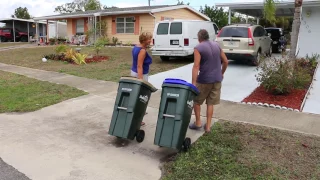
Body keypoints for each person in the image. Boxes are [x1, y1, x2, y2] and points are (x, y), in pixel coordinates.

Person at [189, 29, 228, 133]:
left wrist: (193, 83)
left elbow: (196, 66)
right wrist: (221, 73)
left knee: (197, 101)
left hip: (204, 80)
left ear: (199, 38)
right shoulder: (216, 45)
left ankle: (198, 123)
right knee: (210, 103)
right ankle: (208, 127)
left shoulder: (198, 48)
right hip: (217, 79)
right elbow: (225, 61)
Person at [131, 31, 153, 126]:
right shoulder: (142, 51)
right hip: (140, 74)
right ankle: (138, 120)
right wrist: (140, 81)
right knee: (141, 96)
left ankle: (141, 112)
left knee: (137, 95)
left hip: (134, 72)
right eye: (149, 39)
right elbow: (140, 66)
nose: (150, 41)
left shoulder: (136, 46)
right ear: (144, 40)